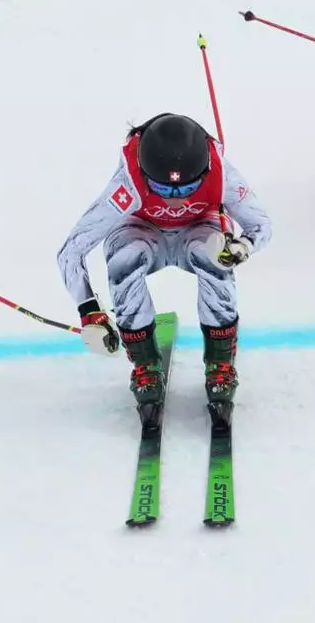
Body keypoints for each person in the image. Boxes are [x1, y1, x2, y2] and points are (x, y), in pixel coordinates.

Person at [58, 112, 271, 420]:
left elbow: (261, 225)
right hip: (142, 229)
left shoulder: (222, 175)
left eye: (185, 190)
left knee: (216, 257)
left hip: (198, 228)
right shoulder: (127, 185)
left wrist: (243, 247)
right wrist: (89, 309)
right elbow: (71, 250)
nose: (174, 199)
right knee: (124, 259)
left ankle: (220, 363)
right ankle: (145, 365)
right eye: (163, 188)